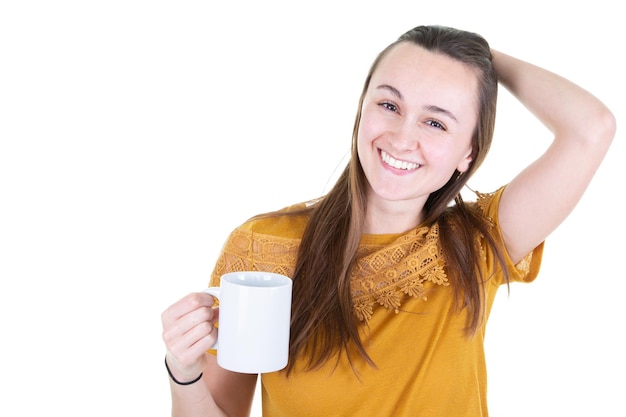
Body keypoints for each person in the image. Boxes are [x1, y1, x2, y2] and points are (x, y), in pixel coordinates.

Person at [160, 25, 615, 416]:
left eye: (436, 123)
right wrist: (183, 371)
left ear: (468, 153)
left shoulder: (479, 242)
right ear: (362, 109)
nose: (402, 138)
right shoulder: (262, 247)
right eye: (390, 105)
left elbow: (592, 127)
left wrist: (480, 57)